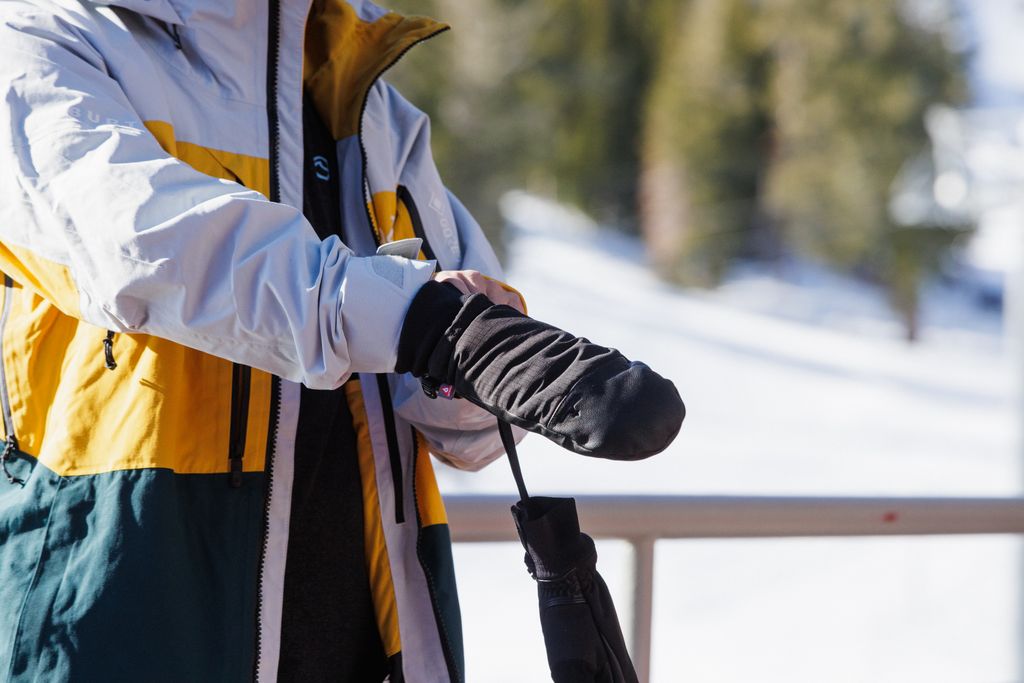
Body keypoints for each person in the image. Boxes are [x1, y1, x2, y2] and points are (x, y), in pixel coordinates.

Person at [0, 0, 684, 680]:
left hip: (371, 650)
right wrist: (430, 322)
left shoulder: (367, 99)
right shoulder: (46, 37)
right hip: (125, 621)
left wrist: (485, 361)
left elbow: (458, 429)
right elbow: (145, 246)